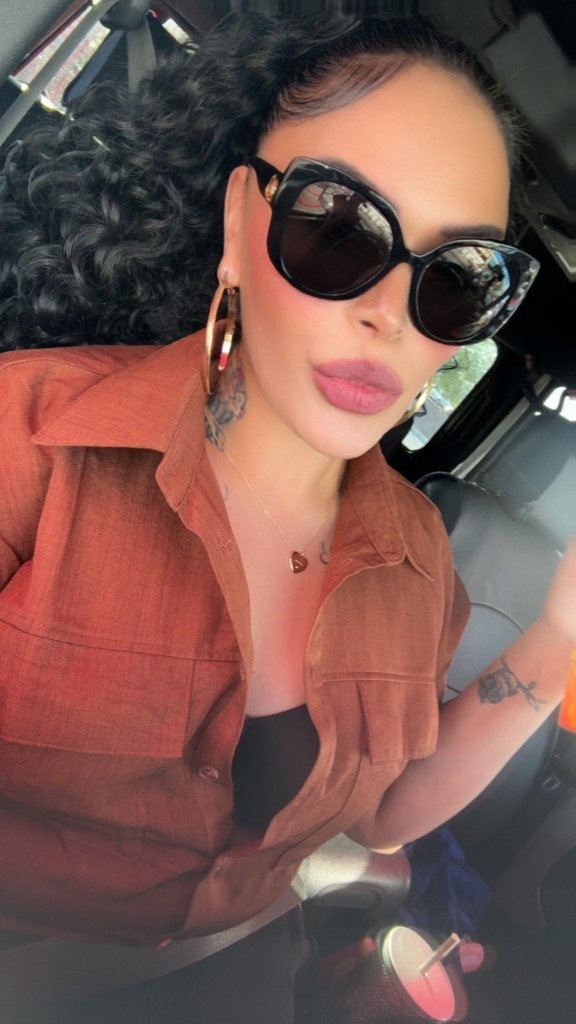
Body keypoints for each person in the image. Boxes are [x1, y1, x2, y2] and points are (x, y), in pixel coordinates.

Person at [0, 11, 574, 1023]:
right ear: (238, 222)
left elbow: (384, 813)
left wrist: (562, 633)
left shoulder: (421, 563)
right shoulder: (29, 440)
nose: (391, 312)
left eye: (458, 278)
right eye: (338, 227)